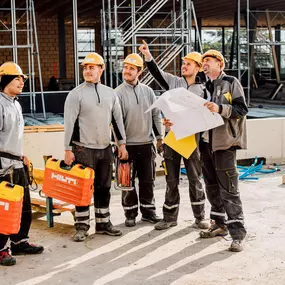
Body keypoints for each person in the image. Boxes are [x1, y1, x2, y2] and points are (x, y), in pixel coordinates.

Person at [139, 40, 209, 231]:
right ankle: (169, 217)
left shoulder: (204, 89)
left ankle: (200, 217)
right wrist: (148, 56)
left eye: (188, 64)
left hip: (191, 140)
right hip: (172, 138)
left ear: (197, 68)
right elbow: (157, 73)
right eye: (183, 63)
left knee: (195, 180)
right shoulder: (175, 83)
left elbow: (206, 116)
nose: (184, 66)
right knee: (171, 181)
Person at [64, 52, 128, 242]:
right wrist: (68, 149)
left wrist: (121, 144)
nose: (88, 70)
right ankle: (82, 226)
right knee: (83, 190)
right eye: (85, 67)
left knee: (104, 186)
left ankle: (103, 223)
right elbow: (69, 124)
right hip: (83, 149)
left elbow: (117, 121)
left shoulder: (110, 94)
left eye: (92, 67)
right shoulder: (76, 94)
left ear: (101, 69)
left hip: (105, 148)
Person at [198, 50, 247, 252]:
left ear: (219, 63)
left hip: (224, 143)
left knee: (229, 189)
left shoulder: (230, 82)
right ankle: (218, 224)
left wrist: (219, 109)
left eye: (207, 61)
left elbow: (241, 110)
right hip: (206, 143)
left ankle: (237, 233)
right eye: (203, 62)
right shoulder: (203, 86)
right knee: (211, 186)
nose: (204, 65)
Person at [0, 62, 44, 266]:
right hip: (3, 166)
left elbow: (13, 136)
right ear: (5, 80)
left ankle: (19, 241)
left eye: (22, 79)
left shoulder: (15, 103)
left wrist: (22, 155)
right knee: (4, 209)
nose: (21, 82)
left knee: (23, 207)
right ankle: (1, 249)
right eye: (17, 78)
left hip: (16, 163)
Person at [115, 53, 163, 227]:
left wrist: (159, 139)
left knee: (147, 181)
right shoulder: (117, 94)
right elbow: (115, 123)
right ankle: (130, 214)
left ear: (139, 72)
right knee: (126, 182)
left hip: (146, 144)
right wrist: (121, 145)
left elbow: (156, 115)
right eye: (125, 67)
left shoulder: (148, 92)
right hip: (127, 147)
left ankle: (149, 212)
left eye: (131, 68)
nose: (127, 71)